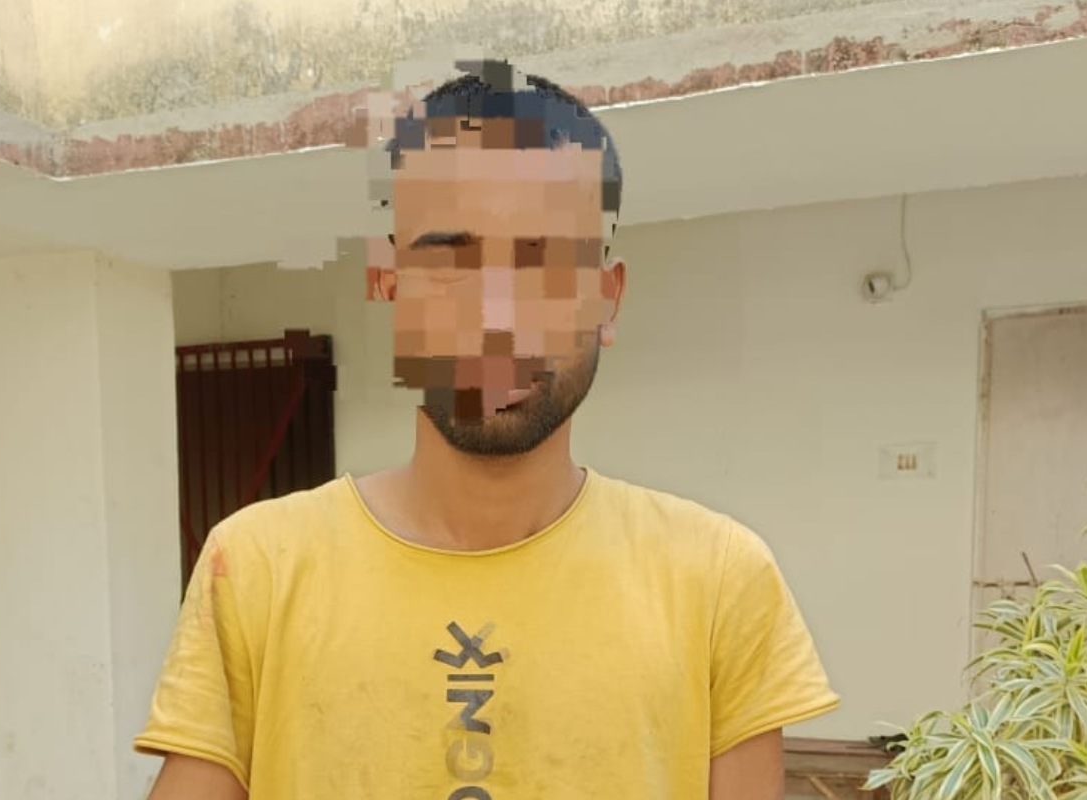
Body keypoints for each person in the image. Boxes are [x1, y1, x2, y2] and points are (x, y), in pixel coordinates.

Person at [136, 59, 839, 800]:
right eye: (450, 262)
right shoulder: (258, 568)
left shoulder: (718, 579)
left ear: (607, 299)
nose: (497, 317)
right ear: (388, 283)